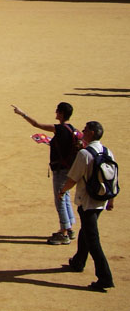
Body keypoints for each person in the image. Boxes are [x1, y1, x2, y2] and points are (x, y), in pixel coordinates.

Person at [60, 121, 116, 292]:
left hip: (87, 200)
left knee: (93, 239)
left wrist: (62, 191)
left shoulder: (84, 154)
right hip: (101, 198)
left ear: (91, 133)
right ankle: (78, 261)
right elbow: (113, 177)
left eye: (85, 129)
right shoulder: (107, 151)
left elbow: (73, 178)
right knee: (86, 230)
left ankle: (105, 277)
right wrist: (111, 200)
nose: (82, 131)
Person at [12, 102, 78, 244]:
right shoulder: (72, 129)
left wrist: (22, 113)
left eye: (57, 111)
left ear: (61, 113)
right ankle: (69, 227)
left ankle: (64, 232)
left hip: (60, 169)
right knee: (65, 197)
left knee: (60, 198)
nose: (55, 113)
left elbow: (36, 124)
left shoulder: (59, 129)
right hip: (69, 168)